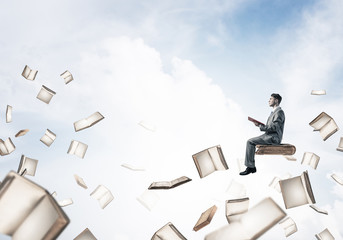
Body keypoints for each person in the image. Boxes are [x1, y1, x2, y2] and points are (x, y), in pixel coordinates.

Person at [240, 93, 285, 176]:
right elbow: (271, 126)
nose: (269, 100)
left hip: (273, 138)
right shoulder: (274, 113)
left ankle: (251, 167)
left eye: (271, 99)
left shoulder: (279, 112)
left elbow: (274, 127)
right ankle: (251, 166)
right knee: (250, 141)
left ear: (276, 100)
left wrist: (261, 126)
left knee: (250, 142)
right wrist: (259, 125)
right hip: (268, 135)